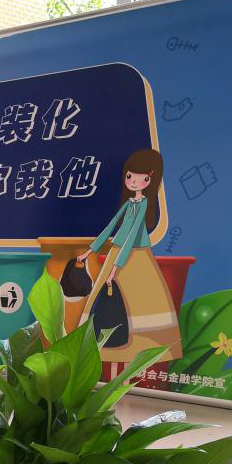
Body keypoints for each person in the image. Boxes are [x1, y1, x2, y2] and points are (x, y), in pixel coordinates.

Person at [76, 148, 182, 362]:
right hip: (118, 250)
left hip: (136, 254)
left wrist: (116, 268)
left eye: (140, 178)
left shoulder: (143, 204)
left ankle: (140, 351)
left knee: (140, 302)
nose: (133, 181)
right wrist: (90, 250)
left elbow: (133, 235)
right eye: (129, 176)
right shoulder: (129, 203)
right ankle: (102, 350)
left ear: (150, 179)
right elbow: (112, 225)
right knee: (104, 303)